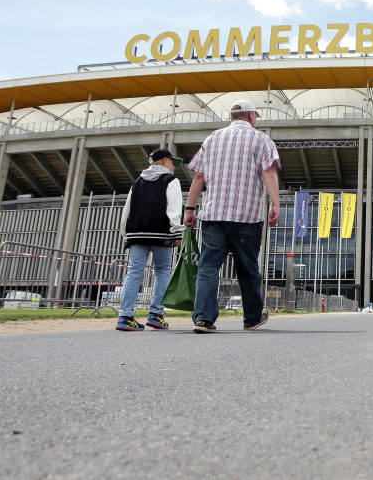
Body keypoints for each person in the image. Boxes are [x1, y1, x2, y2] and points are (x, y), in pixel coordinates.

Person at [184, 99, 281, 333]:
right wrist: (275, 204)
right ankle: (252, 318)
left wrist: (189, 208)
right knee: (247, 267)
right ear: (250, 117)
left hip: (213, 213)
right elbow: (268, 171)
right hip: (246, 215)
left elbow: (198, 177)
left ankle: (204, 319)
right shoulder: (261, 139)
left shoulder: (212, 139)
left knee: (208, 267)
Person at [116, 148, 184, 331]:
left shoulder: (137, 182)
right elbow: (174, 208)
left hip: (137, 234)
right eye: (171, 162)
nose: (173, 166)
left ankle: (125, 316)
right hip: (161, 233)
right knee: (162, 271)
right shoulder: (171, 180)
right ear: (163, 161)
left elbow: (127, 210)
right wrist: (177, 232)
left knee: (134, 272)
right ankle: (156, 314)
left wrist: (125, 234)